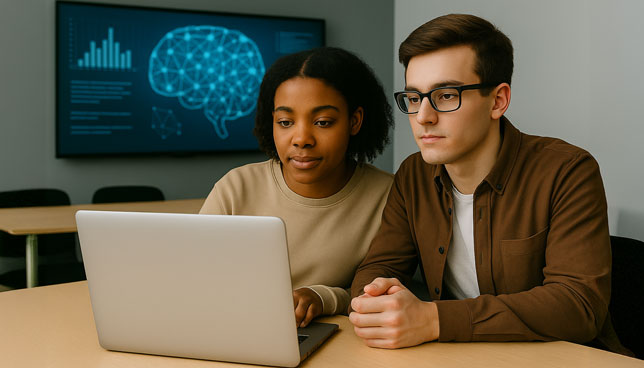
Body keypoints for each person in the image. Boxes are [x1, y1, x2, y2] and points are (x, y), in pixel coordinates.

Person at [348, 14, 629, 355]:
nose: (423, 116)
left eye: (446, 95)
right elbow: (378, 268)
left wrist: (433, 319)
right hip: (460, 356)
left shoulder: (568, 170)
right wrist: (375, 298)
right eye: (413, 97)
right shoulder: (413, 175)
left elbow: (578, 305)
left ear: (498, 101)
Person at [200, 47, 394, 328]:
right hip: (233, 327)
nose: (301, 138)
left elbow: (390, 291)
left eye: (322, 122)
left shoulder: (388, 196)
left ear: (355, 121)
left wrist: (323, 297)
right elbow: (194, 278)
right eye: (285, 122)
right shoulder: (236, 187)